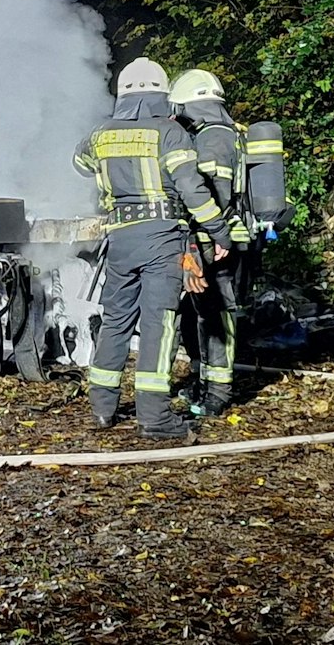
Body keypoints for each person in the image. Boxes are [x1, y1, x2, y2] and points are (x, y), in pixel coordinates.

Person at [75, 58, 233, 438]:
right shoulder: (169, 132)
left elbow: (80, 164)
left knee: (115, 321)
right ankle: (155, 417)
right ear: (163, 95)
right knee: (159, 325)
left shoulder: (100, 135)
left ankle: (102, 407)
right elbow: (192, 190)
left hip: (119, 239)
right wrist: (219, 231)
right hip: (162, 239)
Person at [168, 68, 248, 416]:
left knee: (215, 313)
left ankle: (217, 393)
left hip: (215, 241)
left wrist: (215, 235)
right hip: (214, 237)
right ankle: (202, 383)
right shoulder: (222, 132)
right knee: (198, 311)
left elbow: (213, 193)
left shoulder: (213, 138)